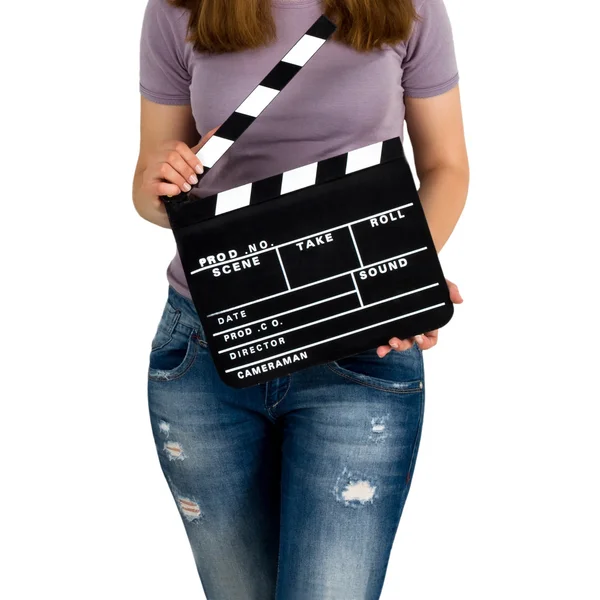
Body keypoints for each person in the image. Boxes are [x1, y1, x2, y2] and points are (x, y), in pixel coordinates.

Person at [132, 0, 469, 597]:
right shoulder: (178, 8)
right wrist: (161, 183)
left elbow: (446, 165)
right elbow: (152, 190)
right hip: (209, 347)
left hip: (361, 345)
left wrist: (397, 278)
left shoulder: (411, 5)